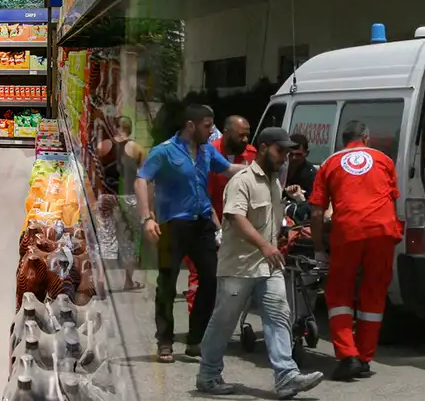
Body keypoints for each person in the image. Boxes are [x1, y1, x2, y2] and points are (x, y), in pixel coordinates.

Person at [196, 127, 324, 398]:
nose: (285, 158)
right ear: (264, 147)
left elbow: (273, 220)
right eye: (280, 151)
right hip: (239, 266)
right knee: (224, 321)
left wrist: (279, 236)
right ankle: (208, 374)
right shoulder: (242, 180)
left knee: (279, 315)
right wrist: (265, 245)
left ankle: (286, 375)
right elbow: (235, 217)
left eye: (288, 153)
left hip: (268, 266)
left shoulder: (274, 182)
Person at [135, 104, 248, 363]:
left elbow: (228, 170)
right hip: (172, 226)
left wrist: (256, 169)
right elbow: (142, 179)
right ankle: (165, 342)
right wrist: (146, 217)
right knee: (167, 283)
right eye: (207, 126)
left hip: (203, 224)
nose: (211, 132)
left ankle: (195, 339)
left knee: (211, 279)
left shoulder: (207, 151)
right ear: (190, 125)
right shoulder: (164, 151)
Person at [309, 120, 404, 381]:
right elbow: (393, 199)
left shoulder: (330, 163)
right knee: (373, 294)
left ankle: (348, 355)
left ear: (343, 140)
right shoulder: (384, 160)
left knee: (338, 293)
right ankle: (364, 357)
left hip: (349, 231)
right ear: (366, 137)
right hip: (382, 231)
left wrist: (319, 248)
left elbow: (317, 212)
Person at [186, 115, 256, 314]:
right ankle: (197, 327)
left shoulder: (251, 154)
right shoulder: (207, 154)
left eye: (247, 135)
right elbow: (203, 195)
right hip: (208, 223)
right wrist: (217, 230)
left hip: (238, 228)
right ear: (226, 133)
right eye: (241, 135)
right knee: (201, 276)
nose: (245, 140)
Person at [97, 115, 148, 291]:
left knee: (105, 236)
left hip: (106, 197)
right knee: (130, 240)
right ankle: (128, 281)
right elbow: (143, 179)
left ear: (114, 127)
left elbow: (96, 172)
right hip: (128, 197)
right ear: (130, 129)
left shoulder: (102, 146)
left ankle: (101, 280)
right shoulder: (137, 149)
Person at [283, 133, 318, 221]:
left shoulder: (311, 175)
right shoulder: (279, 169)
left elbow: (314, 206)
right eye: (290, 154)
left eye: (298, 154)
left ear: (307, 153)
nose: (294, 158)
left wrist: (300, 198)